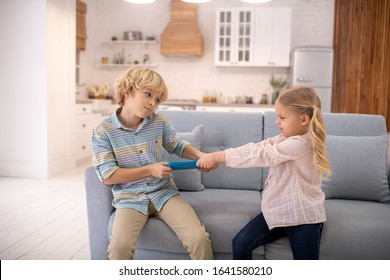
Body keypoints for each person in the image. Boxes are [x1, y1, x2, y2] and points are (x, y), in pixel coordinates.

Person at [91, 67, 213, 260]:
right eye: (148, 94)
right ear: (127, 91)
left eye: (157, 99)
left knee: (198, 239)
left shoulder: (159, 122)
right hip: (129, 198)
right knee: (119, 247)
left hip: (164, 194)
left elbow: (177, 145)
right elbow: (108, 176)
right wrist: (149, 170)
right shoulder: (103, 131)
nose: (152, 103)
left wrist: (203, 156)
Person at [197, 87, 331, 260]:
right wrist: (219, 157)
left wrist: (220, 156)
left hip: (303, 217)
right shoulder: (285, 139)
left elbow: (263, 155)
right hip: (280, 211)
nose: (277, 122)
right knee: (240, 243)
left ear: (304, 119)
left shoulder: (302, 144)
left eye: (282, 117)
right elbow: (259, 147)